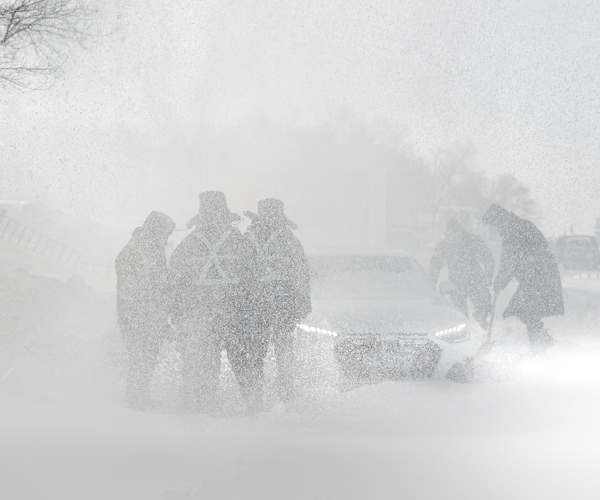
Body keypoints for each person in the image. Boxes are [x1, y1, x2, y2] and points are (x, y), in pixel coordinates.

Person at [169, 191, 256, 413]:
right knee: (242, 360)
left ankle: (205, 405)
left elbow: (175, 281)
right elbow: (253, 278)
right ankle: (252, 405)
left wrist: (180, 313)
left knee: (206, 360)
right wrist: (251, 308)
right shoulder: (239, 241)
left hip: (202, 313)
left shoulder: (188, 244)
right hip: (235, 312)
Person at [243, 198, 311, 412]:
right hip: (283, 304)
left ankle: (254, 397)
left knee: (255, 352)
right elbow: (301, 273)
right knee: (284, 350)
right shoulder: (289, 240)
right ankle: (287, 394)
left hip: (255, 305)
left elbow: (240, 272)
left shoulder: (247, 239)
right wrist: (302, 301)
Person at [482, 204, 564, 354]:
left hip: (538, 277)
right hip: (537, 276)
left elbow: (510, 260)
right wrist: (501, 279)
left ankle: (540, 345)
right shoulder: (517, 226)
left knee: (525, 309)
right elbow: (512, 259)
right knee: (525, 309)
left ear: (498, 221)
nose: (494, 230)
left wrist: (500, 281)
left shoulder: (513, 231)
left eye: (493, 226)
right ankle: (540, 343)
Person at [115, 211, 175, 411]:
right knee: (140, 356)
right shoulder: (134, 251)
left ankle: (140, 395)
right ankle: (135, 398)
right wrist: (150, 312)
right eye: (165, 234)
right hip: (137, 316)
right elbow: (134, 290)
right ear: (156, 231)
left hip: (149, 316)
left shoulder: (151, 249)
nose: (166, 240)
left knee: (147, 356)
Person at [429, 218, 495, 329]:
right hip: (464, 282)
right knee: (465, 311)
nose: (455, 237)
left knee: (480, 306)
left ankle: (477, 320)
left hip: (469, 281)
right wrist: (488, 275)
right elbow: (435, 264)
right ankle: (469, 326)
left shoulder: (468, 241)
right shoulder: (465, 241)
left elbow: (487, 258)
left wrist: (488, 276)